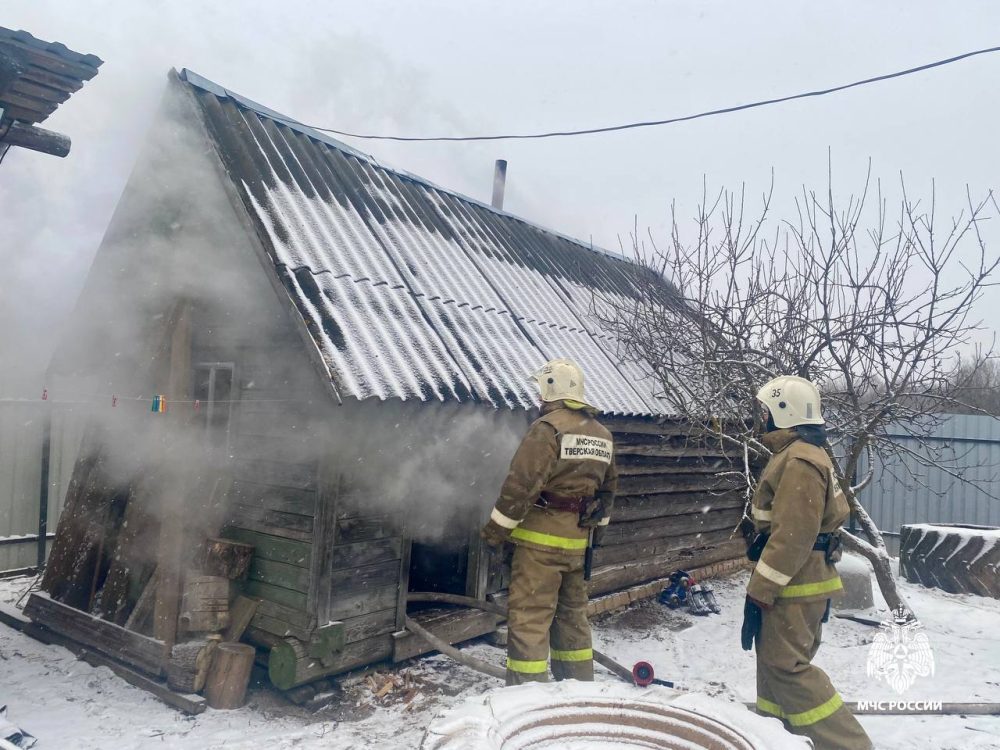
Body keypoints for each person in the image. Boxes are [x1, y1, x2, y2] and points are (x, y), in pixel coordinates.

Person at [742, 375, 872, 750]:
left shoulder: (798, 459)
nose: (761, 417)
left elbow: (794, 536)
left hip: (794, 583)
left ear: (784, 412)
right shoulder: (803, 453)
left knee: (788, 669)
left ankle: (851, 745)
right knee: (773, 669)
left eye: (766, 411)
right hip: (799, 579)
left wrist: (761, 589)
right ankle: (774, 738)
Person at [480, 358, 618, 685]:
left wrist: (494, 534)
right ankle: (579, 688)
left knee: (530, 620)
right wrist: (594, 537)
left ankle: (527, 698)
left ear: (550, 390)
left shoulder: (548, 429)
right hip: (578, 546)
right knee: (572, 620)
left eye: (541, 392)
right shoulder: (602, 434)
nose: (539, 399)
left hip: (539, 546)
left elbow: (520, 488)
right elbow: (608, 493)